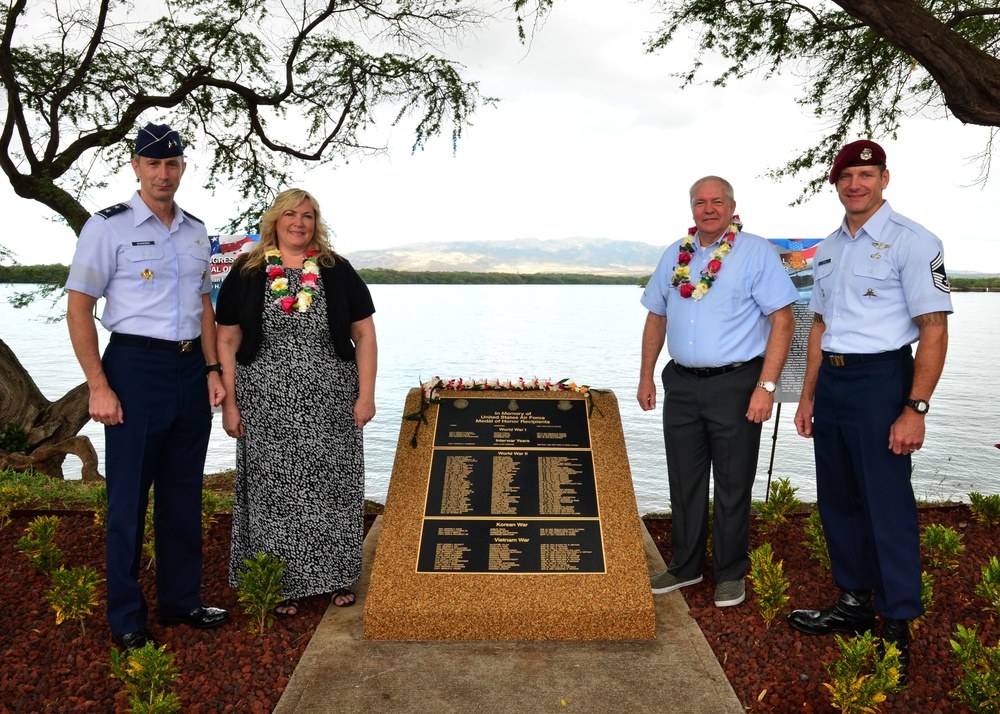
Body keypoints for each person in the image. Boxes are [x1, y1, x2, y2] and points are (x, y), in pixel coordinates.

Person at [788, 140, 952, 683]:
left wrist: (915, 408)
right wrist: (809, 395)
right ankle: (855, 602)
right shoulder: (829, 248)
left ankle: (898, 622)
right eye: (846, 176)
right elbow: (818, 327)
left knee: (886, 505)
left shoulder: (914, 241)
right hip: (833, 383)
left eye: (866, 174)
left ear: (884, 179)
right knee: (839, 500)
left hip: (883, 381)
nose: (855, 184)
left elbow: (934, 329)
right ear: (835, 184)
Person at [65, 123, 231, 652]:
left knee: (183, 494)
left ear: (182, 168)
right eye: (153, 164)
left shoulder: (195, 230)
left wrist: (212, 371)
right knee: (129, 498)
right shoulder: (106, 228)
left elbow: (204, 305)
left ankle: (181, 602)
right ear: (135, 166)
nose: (164, 173)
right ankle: (127, 615)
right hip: (134, 368)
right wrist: (99, 385)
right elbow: (79, 308)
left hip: (188, 372)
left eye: (173, 164)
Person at [215, 188, 377, 616]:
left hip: (331, 400)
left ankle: (337, 576)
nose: (299, 223)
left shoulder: (336, 270)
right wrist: (230, 404)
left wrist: (366, 394)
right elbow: (227, 337)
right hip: (265, 401)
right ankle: (280, 581)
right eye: (290, 214)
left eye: (308, 215)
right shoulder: (248, 270)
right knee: (274, 492)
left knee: (332, 487)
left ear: (315, 223)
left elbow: (364, 334)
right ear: (275, 221)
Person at [638, 176, 798, 607]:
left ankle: (730, 572)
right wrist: (646, 375)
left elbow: (784, 321)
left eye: (717, 201)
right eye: (700, 202)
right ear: (692, 208)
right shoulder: (676, 253)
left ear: (732, 206)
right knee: (684, 480)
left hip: (736, 384)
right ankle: (686, 566)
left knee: (732, 482)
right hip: (682, 385)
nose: (708, 209)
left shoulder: (756, 252)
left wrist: (766, 386)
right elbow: (656, 314)